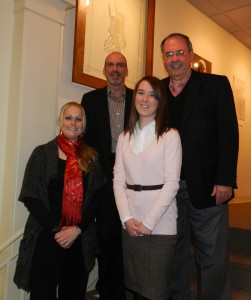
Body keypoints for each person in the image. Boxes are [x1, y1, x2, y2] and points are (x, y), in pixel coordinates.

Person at [160, 33, 239, 300]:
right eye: (169, 54)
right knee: (174, 256)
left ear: (191, 55)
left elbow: (228, 134)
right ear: (163, 59)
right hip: (167, 190)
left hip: (207, 186)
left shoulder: (215, 85)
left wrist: (225, 178)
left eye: (180, 53)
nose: (175, 59)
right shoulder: (157, 90)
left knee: (212, 257)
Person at [14, 102, 106, 300]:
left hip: (80, 239)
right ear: (60, 121)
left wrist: (78, 229)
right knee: (42, 293)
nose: (73, 123)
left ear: (83, 124)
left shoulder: (92, 157)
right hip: (47, 236)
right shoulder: (42, 153)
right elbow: (30, 195)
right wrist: (56, 230)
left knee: (73, 293)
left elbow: (98, 197)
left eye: (78, 118)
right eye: (68, 117)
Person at [113, 76, 182, 300]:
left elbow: (172, 184)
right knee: (134, 288)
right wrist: (126, 218)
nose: (145, 99)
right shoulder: (124, 137)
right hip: (131, 223)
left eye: (153, 94)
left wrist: (148, 222)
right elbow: (118, 179)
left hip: (160, 224)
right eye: (141, 93)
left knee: (155, 291)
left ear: (160, 101)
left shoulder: (170, 136)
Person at [81, 51, 133, 300]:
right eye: (110, 65)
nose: (115, 69)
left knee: (127, 232)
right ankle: (106, 287)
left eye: (120, 65)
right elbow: (86, 142)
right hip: (102, 174)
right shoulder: (89, 100)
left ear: (126, 70)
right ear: (104, 70)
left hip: (133, 175)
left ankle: (124, 286)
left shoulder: (139, 98)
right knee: (105, 233)